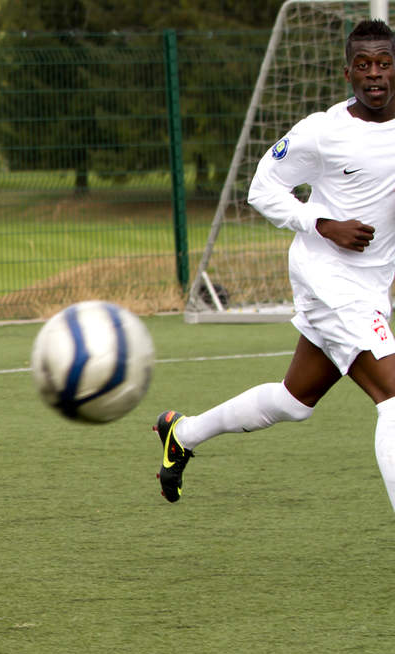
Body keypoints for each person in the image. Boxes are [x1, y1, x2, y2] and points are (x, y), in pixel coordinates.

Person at [157, 19, 395, 510]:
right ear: (347, 72)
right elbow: (262, 188)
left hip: (370, 287)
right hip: (327, 276)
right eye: (363, 65)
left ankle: (182, 432)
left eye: (385, 64)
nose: (375, 74)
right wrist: (322, 223)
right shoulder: (324, 132)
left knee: (295, 401)